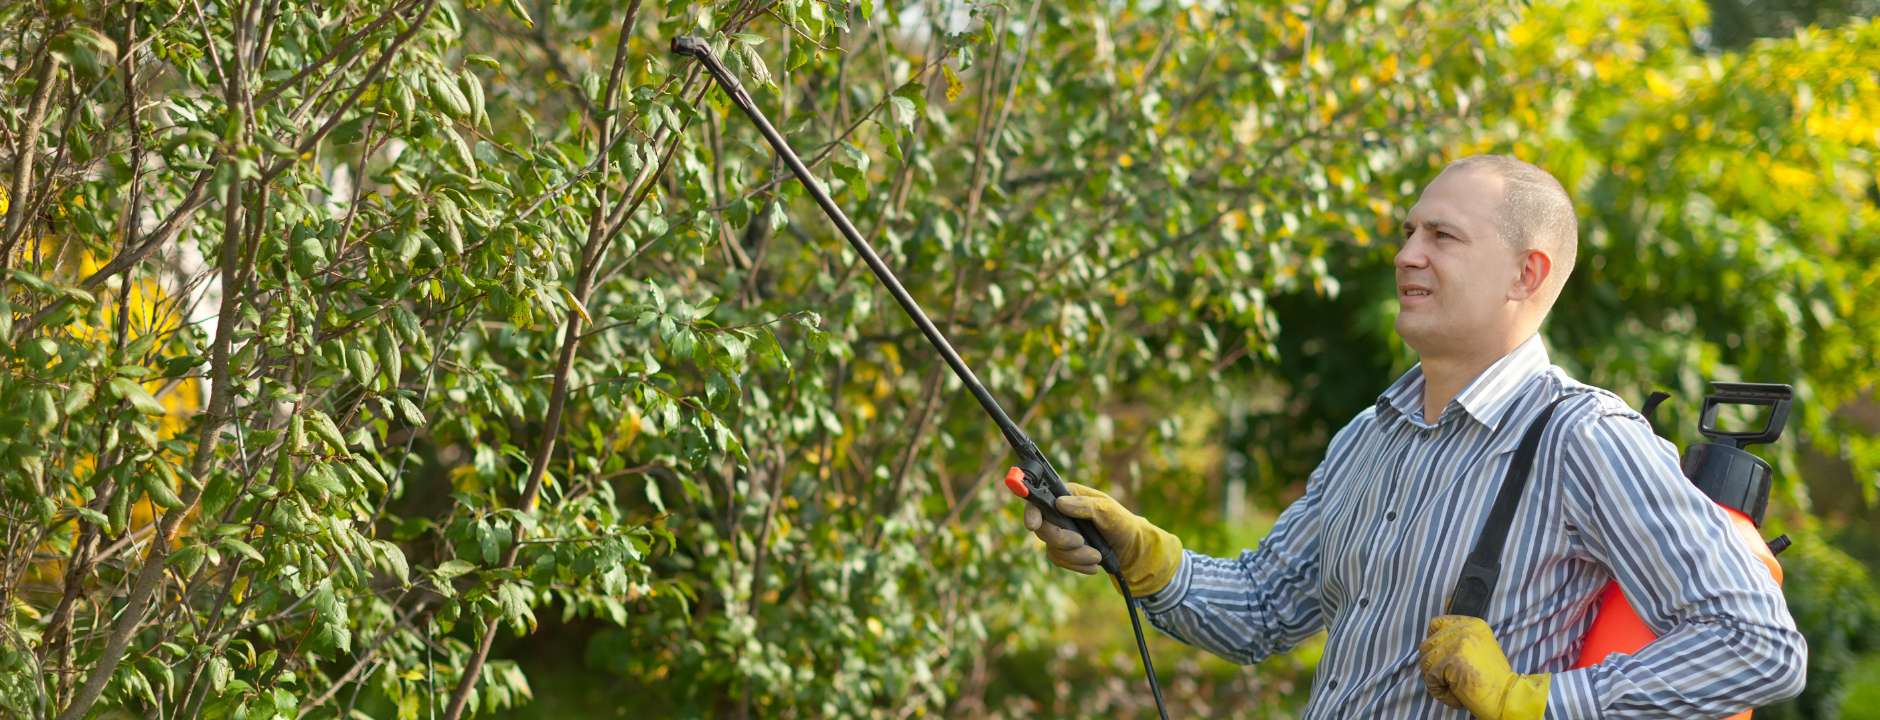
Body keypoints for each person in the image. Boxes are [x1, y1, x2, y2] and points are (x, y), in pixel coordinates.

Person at [1023, 155, 1806, 718]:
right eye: (1407, 233)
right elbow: (1264, 610)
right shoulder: (1369, 436)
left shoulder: (1585, 436)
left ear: (1527, 275)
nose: (1406, 255)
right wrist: (1144, 559)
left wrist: (1536, 702)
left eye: (1443, 237)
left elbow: (1760, 645)